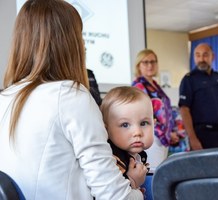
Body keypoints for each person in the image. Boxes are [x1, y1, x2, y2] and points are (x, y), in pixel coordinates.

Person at [0, 0, 144, 199]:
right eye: (80, 35)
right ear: (68, 42)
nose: (83, 44)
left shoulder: (5, 96)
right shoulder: (70, 96)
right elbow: (114, 196)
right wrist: (138, 190)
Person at [178, 43, 218, 150]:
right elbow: (184, 110)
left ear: (213, 56)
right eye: (198, 55)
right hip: (200, 135)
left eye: (205, 55)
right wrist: (192, 138)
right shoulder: (189, 79)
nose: (201, 59)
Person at [132, 49, 180, 169]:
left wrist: (171, 132)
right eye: (146, 62)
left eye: (153, 62)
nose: (150, 65)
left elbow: (166, 112)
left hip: (162, 137)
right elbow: (144, 114)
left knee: (160, 172)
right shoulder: (138, 85)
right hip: (151, 137)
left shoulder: (155, 85)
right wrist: (164, 133)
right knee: (154, 173)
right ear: (139, 65)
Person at [100, 86, 154, 189]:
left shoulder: (139, 155)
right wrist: (132, 181)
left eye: (143, 123)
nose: (137, 132)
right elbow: (110, 194)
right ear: (106, 129)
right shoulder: (110, 160)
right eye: (125, 125)